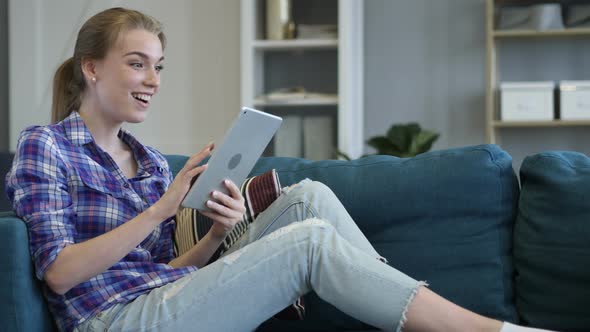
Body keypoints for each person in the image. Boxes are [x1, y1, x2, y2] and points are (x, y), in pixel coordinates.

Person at [5, 7, 554, 332]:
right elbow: (58, 272)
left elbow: (171, 268)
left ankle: (397, 308)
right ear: (92, 68)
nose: (153, 79)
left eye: (158, 66)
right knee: (309, 242)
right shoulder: (46, 147)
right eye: (137, 63)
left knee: (308, 197)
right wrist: (162, 209)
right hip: (113, 321)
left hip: (164, 297)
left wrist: (217, 234)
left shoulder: (146, 160)